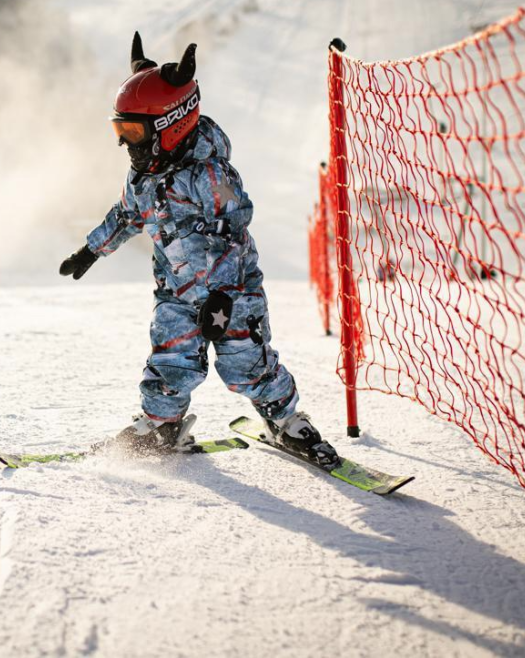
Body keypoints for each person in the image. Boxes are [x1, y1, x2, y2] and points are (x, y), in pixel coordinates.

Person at [59, 33, 338, 467]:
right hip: (176, 293)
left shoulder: (209, 174)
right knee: (169, 361)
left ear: (173, 122)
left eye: (132, 130)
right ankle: (162, 426)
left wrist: (222, 297)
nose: (124, 142)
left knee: (247, 364)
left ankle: (286, 421)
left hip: (232, 294)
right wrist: (92, 250)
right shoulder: (144, 177)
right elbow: (127, 215)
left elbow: (231, 229)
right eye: (120, 129)